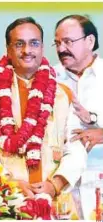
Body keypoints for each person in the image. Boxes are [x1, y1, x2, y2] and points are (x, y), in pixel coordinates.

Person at [0, 17, 87, 201]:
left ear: (42, 48)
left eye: (34, 43)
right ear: (8, 49)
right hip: (7, 198)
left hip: (55, 200)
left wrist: (55, 184)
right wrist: (8, 181)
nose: (27, 50)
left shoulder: (63, 95)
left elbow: (76, 146)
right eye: (19, 44)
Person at [54, 14, 103, 219]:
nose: (61, 49)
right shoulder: (49, 78)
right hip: (63, 188)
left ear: (90, 41)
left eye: (68, 41)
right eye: (57, 43)